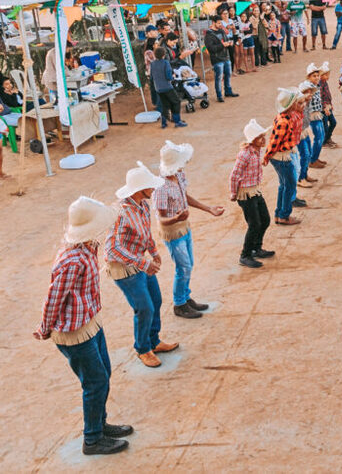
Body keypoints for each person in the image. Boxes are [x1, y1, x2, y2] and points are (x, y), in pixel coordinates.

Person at [33, 196, 133, 456]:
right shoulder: (72, 260)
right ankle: (92, 439)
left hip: (89, 321)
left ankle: (100, 425)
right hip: (74, 332)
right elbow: (54, 298)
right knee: (95, 381)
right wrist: (44, 328)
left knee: (103, 374)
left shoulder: (88, 247)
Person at [105, 162, 180, 368]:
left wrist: (154, 253)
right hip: (125, 268)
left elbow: (145, 233)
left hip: (140, 262)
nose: (154, 188)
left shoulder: (143, 206)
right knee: (144, 307)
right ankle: (142, 348)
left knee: (155, 301)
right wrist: (143, 262)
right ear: (141, 190)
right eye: (150, 186)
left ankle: (153, 341)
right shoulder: (120, 213)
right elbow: (111, 249)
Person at [152, 141, 223, 319]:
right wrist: (176, 218)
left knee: (188, 264)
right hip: (173, 230)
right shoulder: (160, 187)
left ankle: (185, 297)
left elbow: (185, 196)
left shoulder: (178, 176)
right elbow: (160, 217)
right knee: (183, 267)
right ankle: (179, 303)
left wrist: (208, 208)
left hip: (183, 226)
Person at [230, 119, 275, 269]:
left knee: (265, 219)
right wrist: (233, 193)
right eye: (260, 137)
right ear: (253, 140)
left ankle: (257, 247)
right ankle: (245, 255)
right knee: (254, 224)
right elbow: (235, 175)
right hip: (245, 193)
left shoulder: (257, 151)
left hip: (254, 190)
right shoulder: (245, 154)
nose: (264, 139)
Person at [264, 87, 305, 226]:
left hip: (281, 157)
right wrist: (267, 156)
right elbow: (274, 142)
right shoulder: (284, 121)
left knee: (284, 185)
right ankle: (284, 215)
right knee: (290, 185)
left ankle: (279, 213)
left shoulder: (284, 117)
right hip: (281, 158)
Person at [203, 15, 238, 104]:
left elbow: (226, 40)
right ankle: (219, 95)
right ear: (213, 23)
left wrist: (229, 43)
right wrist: (223, 45)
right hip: (217, 59)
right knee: (218, 77)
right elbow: (211, 48)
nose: (220, 24)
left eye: (220, 23)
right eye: (218, 23)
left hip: (226, 57)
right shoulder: (209, 34)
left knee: (228, 74)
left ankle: (228, 91)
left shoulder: (222, 31)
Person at [149, 46, 186, 129]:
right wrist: (173, 76)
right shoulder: (166, 63)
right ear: (163, 55)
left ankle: (164, 123)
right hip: (167, 87)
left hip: (158, 88)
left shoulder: (153, 64)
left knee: (164, 105)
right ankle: (177, 121)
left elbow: (151, 77)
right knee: (176, 102)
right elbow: (168, 77)